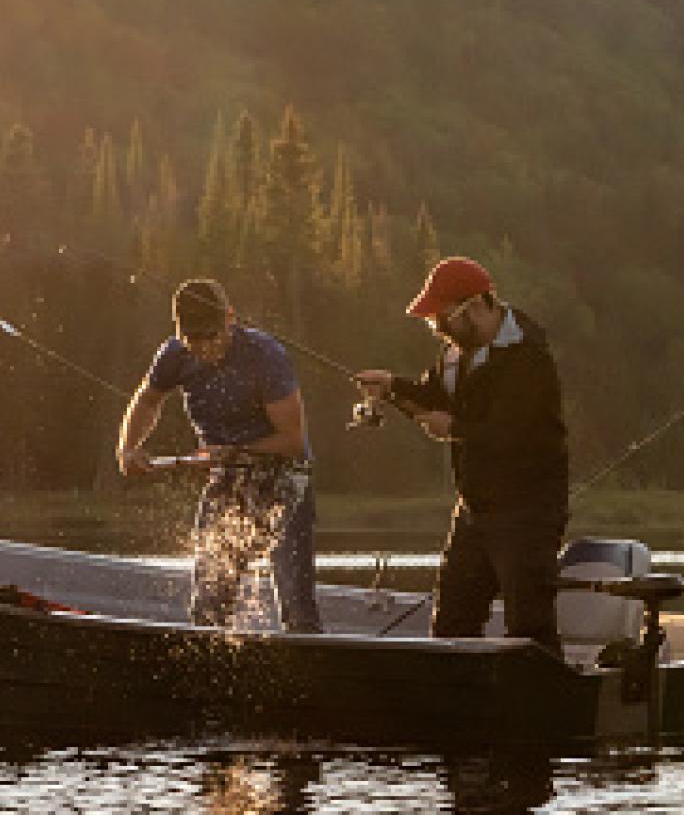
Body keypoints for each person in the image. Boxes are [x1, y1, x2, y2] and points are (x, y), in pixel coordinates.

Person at [354, 257, 570, 655]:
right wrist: (392, 387)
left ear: (474, 307)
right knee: (452, 625)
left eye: (441, 319)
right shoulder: (456, 354)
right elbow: (434, 398)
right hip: (474, 512)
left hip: (528, 514)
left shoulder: (529, 359)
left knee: (530, 629)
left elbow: (514, 434)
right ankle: (462, 711)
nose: (437, 330)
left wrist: (454, 429)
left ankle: (539, 713)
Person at [117, 278, 323, 633]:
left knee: (296, 602)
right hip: (226, 476)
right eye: (193, 340)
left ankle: (306, 658)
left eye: (210, 337)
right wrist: (129, 447)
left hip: (284, 475)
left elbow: (291, 440)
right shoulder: (174, 355)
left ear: (230, 318)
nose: (203, 348)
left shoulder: (266, 356)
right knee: (209, 601)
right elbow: (148, 400)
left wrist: (232, 451)